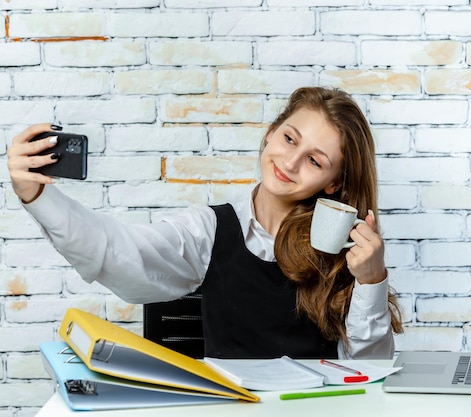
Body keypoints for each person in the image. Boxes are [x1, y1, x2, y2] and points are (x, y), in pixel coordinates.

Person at [8, 87, 402, 359]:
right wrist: (38, 196)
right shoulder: (208, 230)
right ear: (270, 135)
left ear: (334, 182)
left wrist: (371, 280)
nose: (291, 162)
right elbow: (117, 252)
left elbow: (371, 368)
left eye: (315, 160)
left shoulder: (345, 247)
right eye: (289, 139)